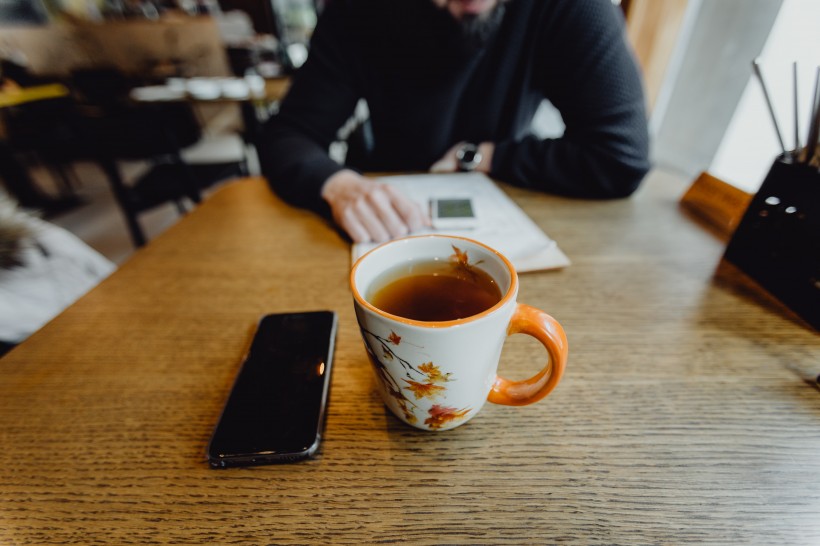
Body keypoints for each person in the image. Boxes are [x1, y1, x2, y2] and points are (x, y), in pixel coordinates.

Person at [258, 0, 650, 243]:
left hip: (512, 205)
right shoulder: (359, 11)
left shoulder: (570, 8)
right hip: (384, 203)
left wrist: (481, 156)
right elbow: (290, 133)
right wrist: (338, 185)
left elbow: (621, 157)